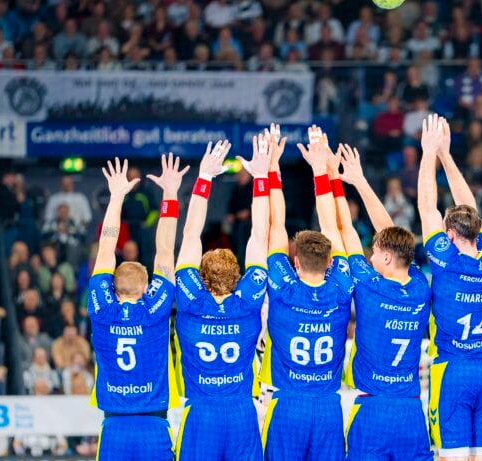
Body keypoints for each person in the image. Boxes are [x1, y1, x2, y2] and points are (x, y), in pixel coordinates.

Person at [172, 139, 269, 461]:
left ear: (201, 276)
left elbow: (190, 235)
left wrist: (204, 177)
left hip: (201, 413)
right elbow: (259, 235)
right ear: (237, 276)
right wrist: (261, 178)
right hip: (242, 411)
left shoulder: (189, 298)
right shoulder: (249, 300)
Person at [260, 127, 353, 460]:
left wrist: (271, 167)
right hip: (328, 406)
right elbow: (333, 227)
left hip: (288, 404)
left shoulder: (283, 288)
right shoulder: (342, 288)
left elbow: (275, 227)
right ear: (330, 261)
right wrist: (320, 169)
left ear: (294, 261)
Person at [335, 143, 433, 460]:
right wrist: (360, 180)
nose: (371, 255)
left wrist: (333, 178)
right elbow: (388, 231)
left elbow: (344, 229)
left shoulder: (369, 285)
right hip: (410, 410)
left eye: (375, 252)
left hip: (373, 407)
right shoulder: (419, 285)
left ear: (388, 257)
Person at [88, 155, 186, 460]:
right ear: (145, 289)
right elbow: (166, 251)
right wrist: (170, 194)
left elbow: (106, 249)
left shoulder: (101, 308)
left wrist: (116, 196)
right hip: (154, 424)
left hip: (114, 425)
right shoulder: (154, 308)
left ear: (113, 288)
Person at [417, 116, 482, 460]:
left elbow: (426, 205)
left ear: (450, 235)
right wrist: (447, 157)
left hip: (452, 369)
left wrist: (429, 154)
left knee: (450, 456)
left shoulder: (445, 257)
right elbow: (473, 211)